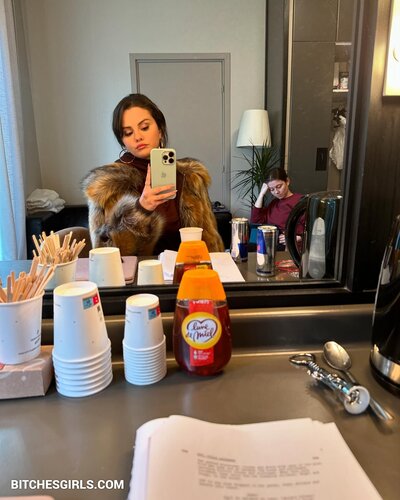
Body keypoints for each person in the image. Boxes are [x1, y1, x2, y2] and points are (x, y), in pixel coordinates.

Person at [81, 94, 224, 256]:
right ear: (123, 141)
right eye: (128, 132)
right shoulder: (108, 184)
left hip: (189, 267)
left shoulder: (189, 177)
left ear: (160, 130)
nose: (138, 137)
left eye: (144, 127)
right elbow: (105, 254)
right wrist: (142, 209)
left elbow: (210, 241)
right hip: (139, 271)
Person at [250, 167, 303, 249]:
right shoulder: (274, 203)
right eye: (272, 189)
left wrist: (296, 238)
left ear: (287, 181)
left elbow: (311, 229)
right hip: (271, 245)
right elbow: (255, 221)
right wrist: (261, 194)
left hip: (290, 248)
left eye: (279, 186)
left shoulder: (299, 201)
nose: (276, 192)